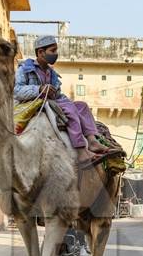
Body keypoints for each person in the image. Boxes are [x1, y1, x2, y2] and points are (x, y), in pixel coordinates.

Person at [14, 35, 117, 165]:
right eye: (53, 50)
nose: (56, 54)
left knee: (81, 106)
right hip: (34, 104)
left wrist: (67, 101)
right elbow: (17, 91)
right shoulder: (25, 69)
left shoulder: (52, 74)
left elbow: (58, 94)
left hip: (52, 102)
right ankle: (80, 151)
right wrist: (39, 89)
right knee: (70, 108)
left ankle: (92, 141)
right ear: (40, 52)